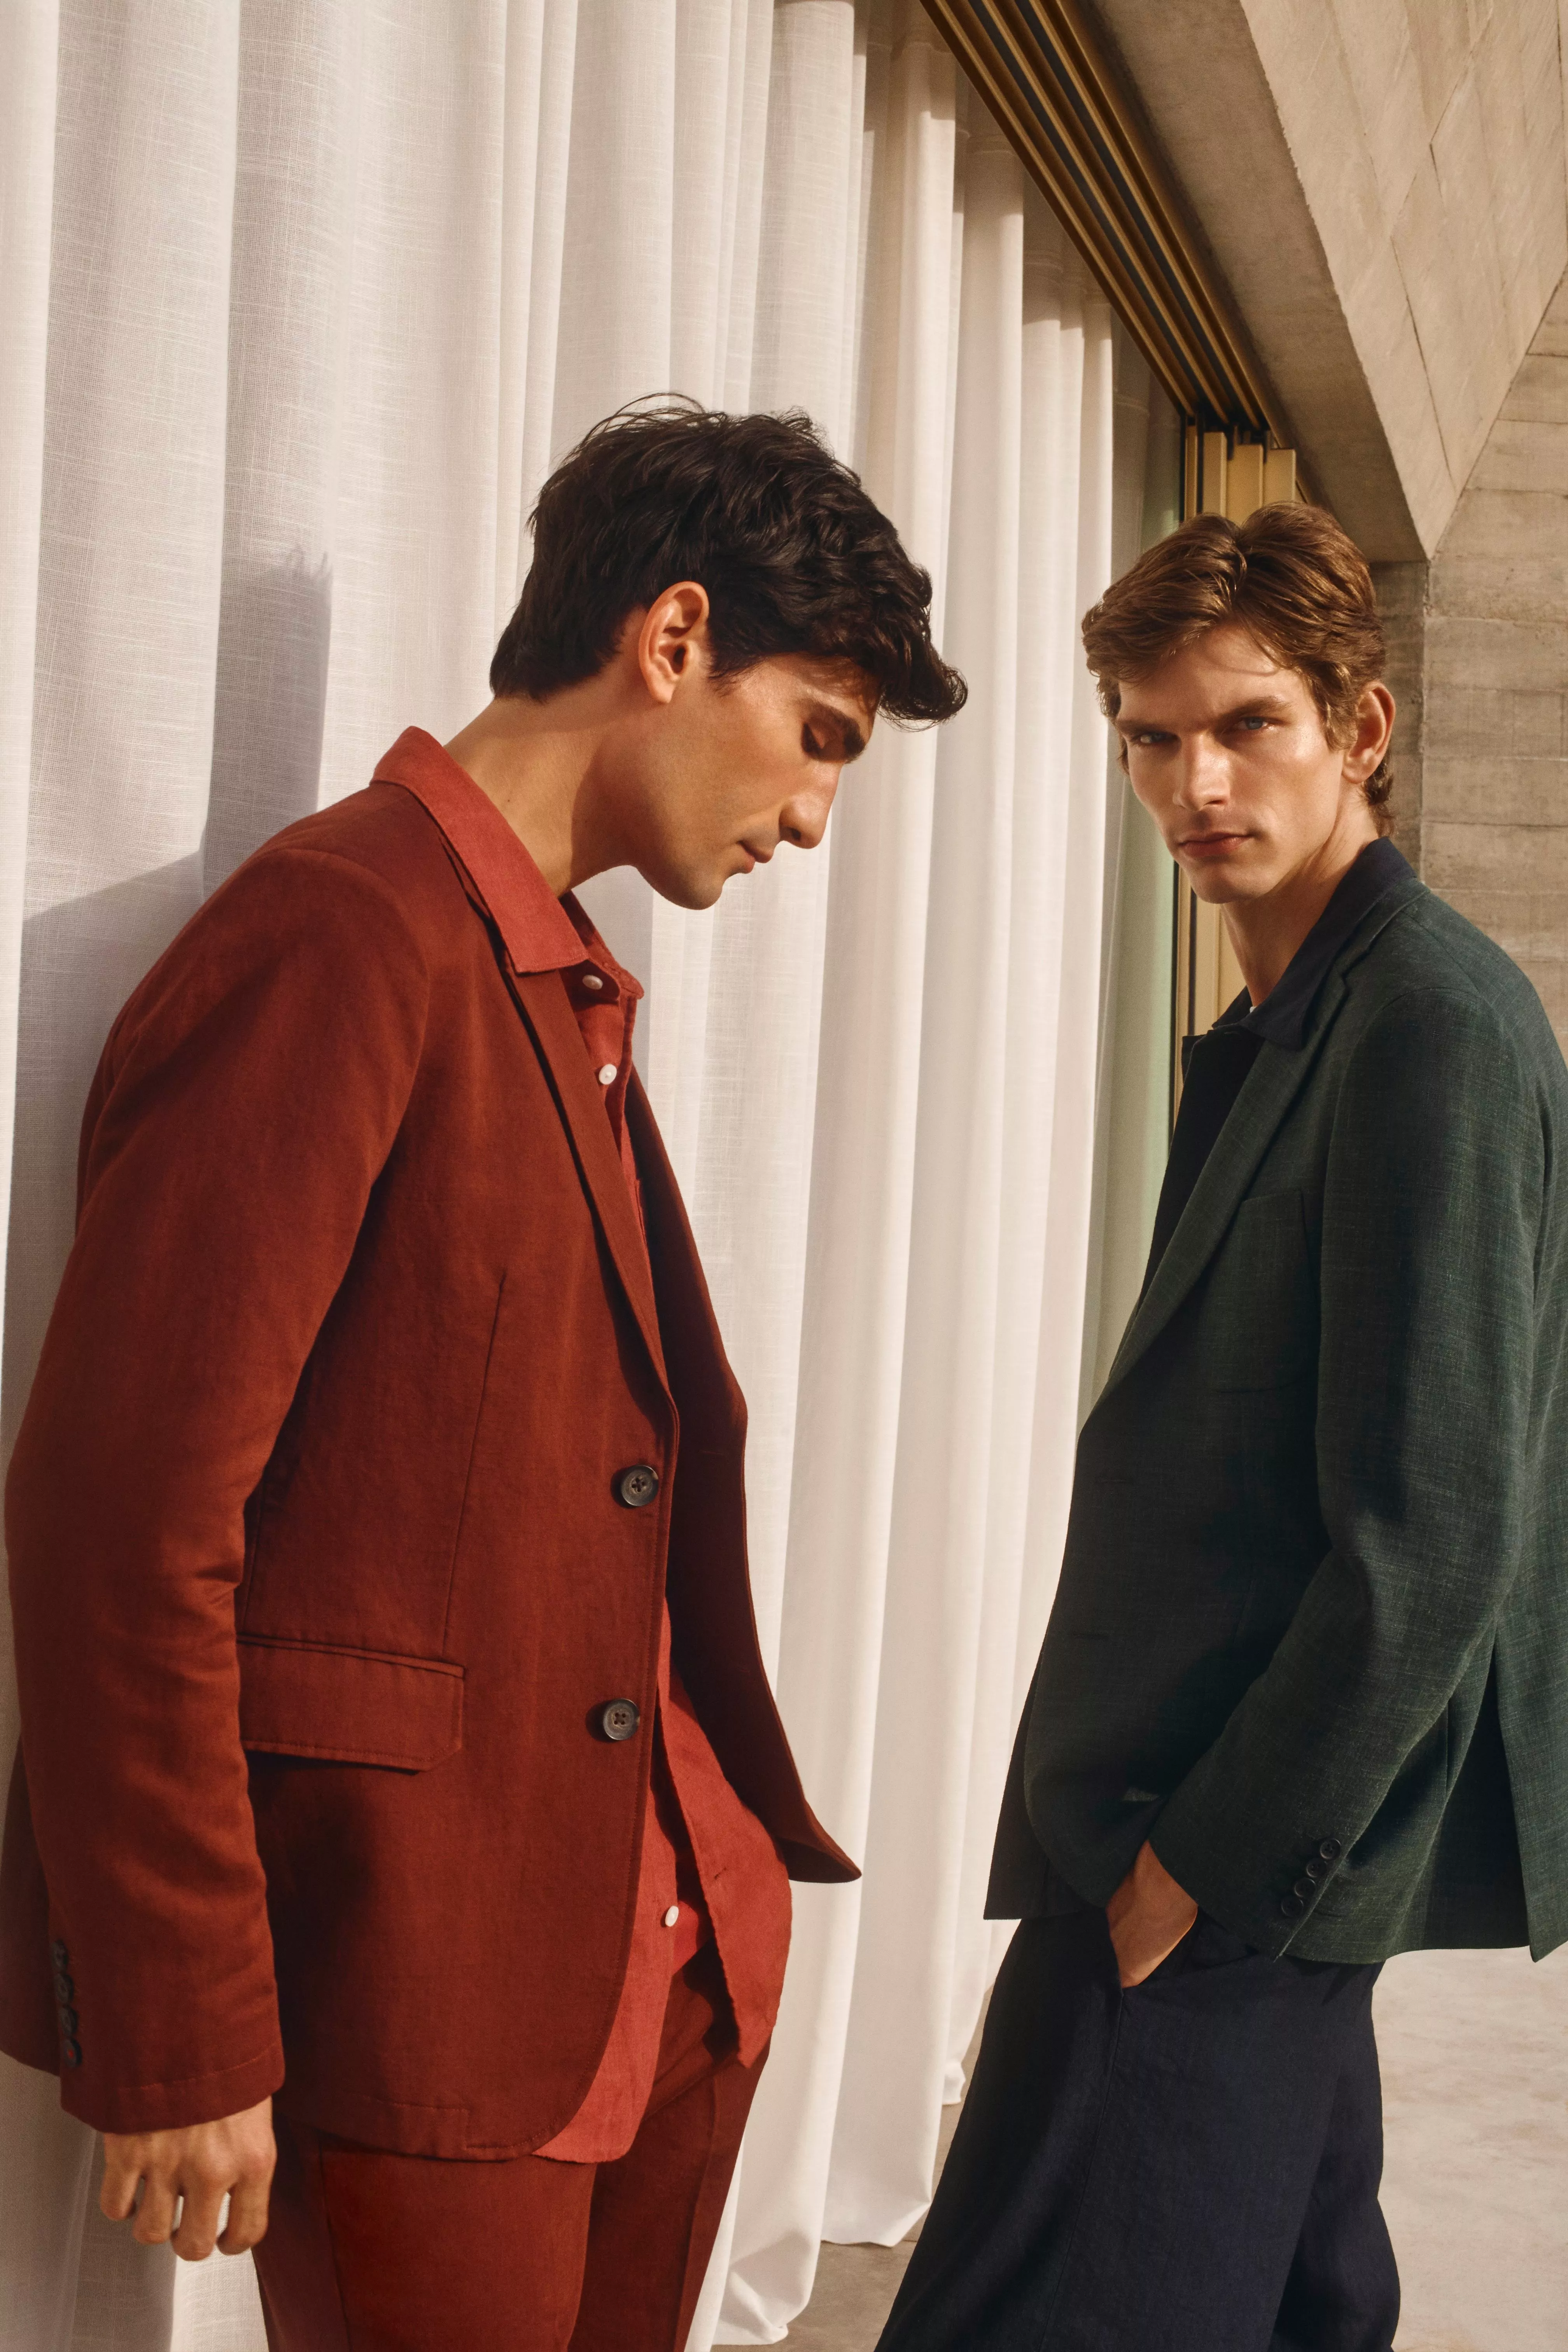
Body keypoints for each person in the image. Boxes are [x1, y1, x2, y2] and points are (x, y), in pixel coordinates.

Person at [0, 401, 966, 2352]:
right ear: (674, 638)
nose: (811, 820)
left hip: (657, 1968)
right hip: (423, 1992)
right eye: (821, 737)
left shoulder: (549, 971)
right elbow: (124, 1518)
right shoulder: (343, 936)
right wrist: (183, 2019)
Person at [879, 503, 1568, 2352]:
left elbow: (1434, 1543)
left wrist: (1203, 1872)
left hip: (1224, 1837)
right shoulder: (1285, 1024)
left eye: (1248, 723)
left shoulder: (1426, 1029)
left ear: (1361, 728)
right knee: (1299, 2308)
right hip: (1183, 1816)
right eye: (1152, 736)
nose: (1195, 781)